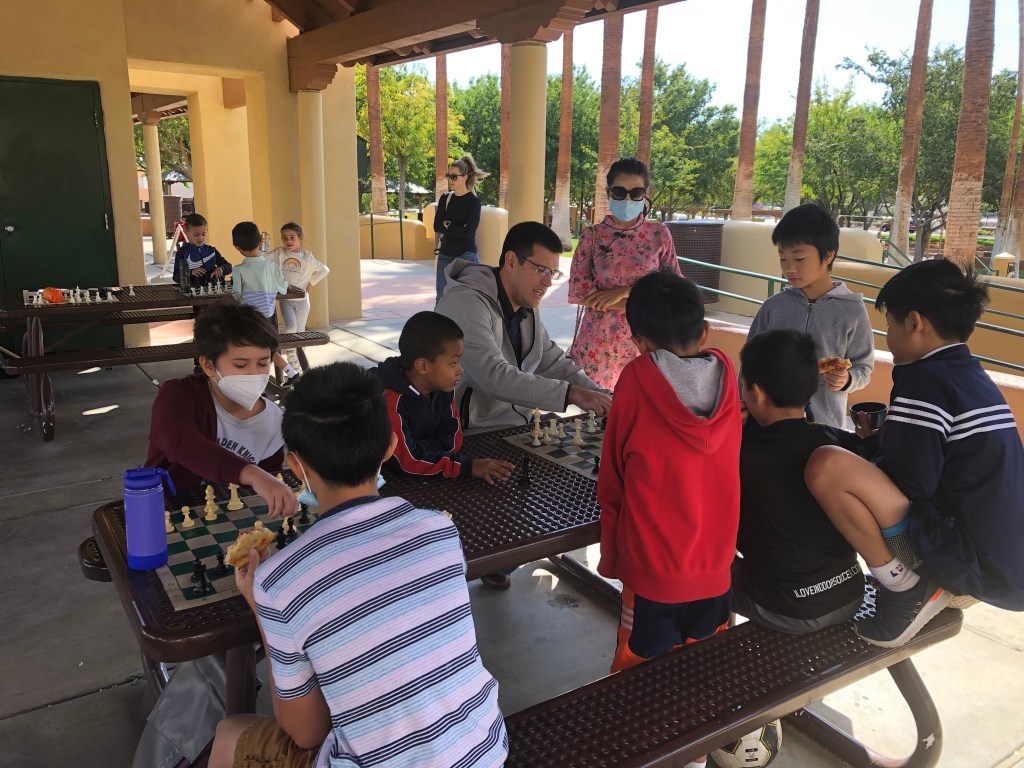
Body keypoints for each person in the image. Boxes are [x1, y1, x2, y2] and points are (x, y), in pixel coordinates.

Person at [208, 362, 508, 768]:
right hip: (484, 751)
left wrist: (263, 606)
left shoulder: (279, 580)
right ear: (390, 446)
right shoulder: (438, 530)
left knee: (230, 731)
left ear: (295, 466)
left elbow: (306, 732)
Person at [805, 260, 1024, 648]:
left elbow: (910, 480)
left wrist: (866, 453)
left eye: (890, 325)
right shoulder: (970, 376)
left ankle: (905, 587)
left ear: (915, 323)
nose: (888, 337)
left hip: (972, 562)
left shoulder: (925, 379)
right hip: (1005, 563)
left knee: (828, 466)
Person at [597, 269, 740, 677]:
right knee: (701, 669)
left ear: (638, 342)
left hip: (651, 570)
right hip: (715, 566)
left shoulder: (636, 378)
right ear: (705, 330)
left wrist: (612, 557)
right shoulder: (728, 377)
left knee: (640, 674)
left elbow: (613, 477)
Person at [734, 329, 865, 634]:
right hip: (850, 592)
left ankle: (705, 651)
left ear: (756, 393)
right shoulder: (837, 441)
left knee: (704, 569)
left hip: (790, 609)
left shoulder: (739, 455)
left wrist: (724, 430)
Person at [436, 221, 612, 430]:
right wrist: (571, 394)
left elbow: (552, 363)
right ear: (511, 261)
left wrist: (601, 395)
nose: (548, 282)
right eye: (541, 270)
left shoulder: (525, 305)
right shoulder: (464, 303)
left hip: (518, 423)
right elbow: (493, 376)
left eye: (553, 273)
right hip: (468, 431)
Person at [144, 300, 298, 518]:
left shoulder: (273, 420)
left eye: (263, 363)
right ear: (208, 365)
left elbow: (266, 487)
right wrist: (252, 473)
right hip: (167, 512)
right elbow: (182, 443)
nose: (254, 374)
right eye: (241, 365)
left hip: (229, 517)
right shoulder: (179, 395)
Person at [747, 203, 874, 429]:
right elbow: (749, 365)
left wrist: (848, 379)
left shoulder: (852, 311)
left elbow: (863, 367)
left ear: (828, 256)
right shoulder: (773, 307)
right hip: (770, 425)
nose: (789, 268)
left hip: (824, 427)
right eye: (783, 258)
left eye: (799, 259)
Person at [567, 157, 681, 389]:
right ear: (608, 192)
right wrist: (643, 301)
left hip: (647, 341)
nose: (627, 199)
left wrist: (623, 292)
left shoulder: (659, 235)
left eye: (636, 193)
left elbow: (674, 290)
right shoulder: (592, 237)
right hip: (599, 343)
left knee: (643, 403)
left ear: (645, 194)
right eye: (619, 192)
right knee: (599, 408)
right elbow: (579, 292)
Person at [372, 311, 515, 484]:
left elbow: (454, 440)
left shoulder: (442, 388)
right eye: (453, 363)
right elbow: (407, 462)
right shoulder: (388, 400)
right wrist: (467, 467)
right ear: (422, 366)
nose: (460, 370)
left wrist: (419, 449)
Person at [230, 221, 296, 381]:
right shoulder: (271, 267)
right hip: (269, 316)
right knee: (268, 349)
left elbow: (236, 295)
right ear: (260, 241)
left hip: (250, 318)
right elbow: (283, 288)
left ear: (236, 246)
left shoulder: (238, 270)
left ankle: (258, 382)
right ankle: (291, 373)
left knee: (250, 350)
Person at [265, 221, 329, 374]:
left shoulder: (307, 258)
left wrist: (311, 283)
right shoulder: (279, 253)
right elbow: (262, 258)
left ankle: (299, 365)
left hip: (302, 302)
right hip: (286, 300)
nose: (288, 241)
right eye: (284, 238)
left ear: (301, 238)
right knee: (290, 328)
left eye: (292, 237)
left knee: (300, 334)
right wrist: (263, 245)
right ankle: (292, 360)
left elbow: (325, 270)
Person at [434, 154, 488, 303]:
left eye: (454, 176)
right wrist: (457, 227)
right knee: (441, 297)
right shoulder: (445, 198)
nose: (450, 180)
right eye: (448, 176)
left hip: (466, 256)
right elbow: (437, 226)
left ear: (465, 177)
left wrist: (448, 224)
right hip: (445, 255)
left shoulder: (473, 202)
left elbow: (468, 233)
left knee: (468, 298)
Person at [171, 212, 232, 290]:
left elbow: (229, 267)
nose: (201, 238)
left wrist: (221, 268)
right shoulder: (182, 252)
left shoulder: (211, 251)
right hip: (192, 292)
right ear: (186, 232)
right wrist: (191, 272)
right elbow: (176, 277)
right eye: (196, 235)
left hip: (213, 290)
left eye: (204, 234)